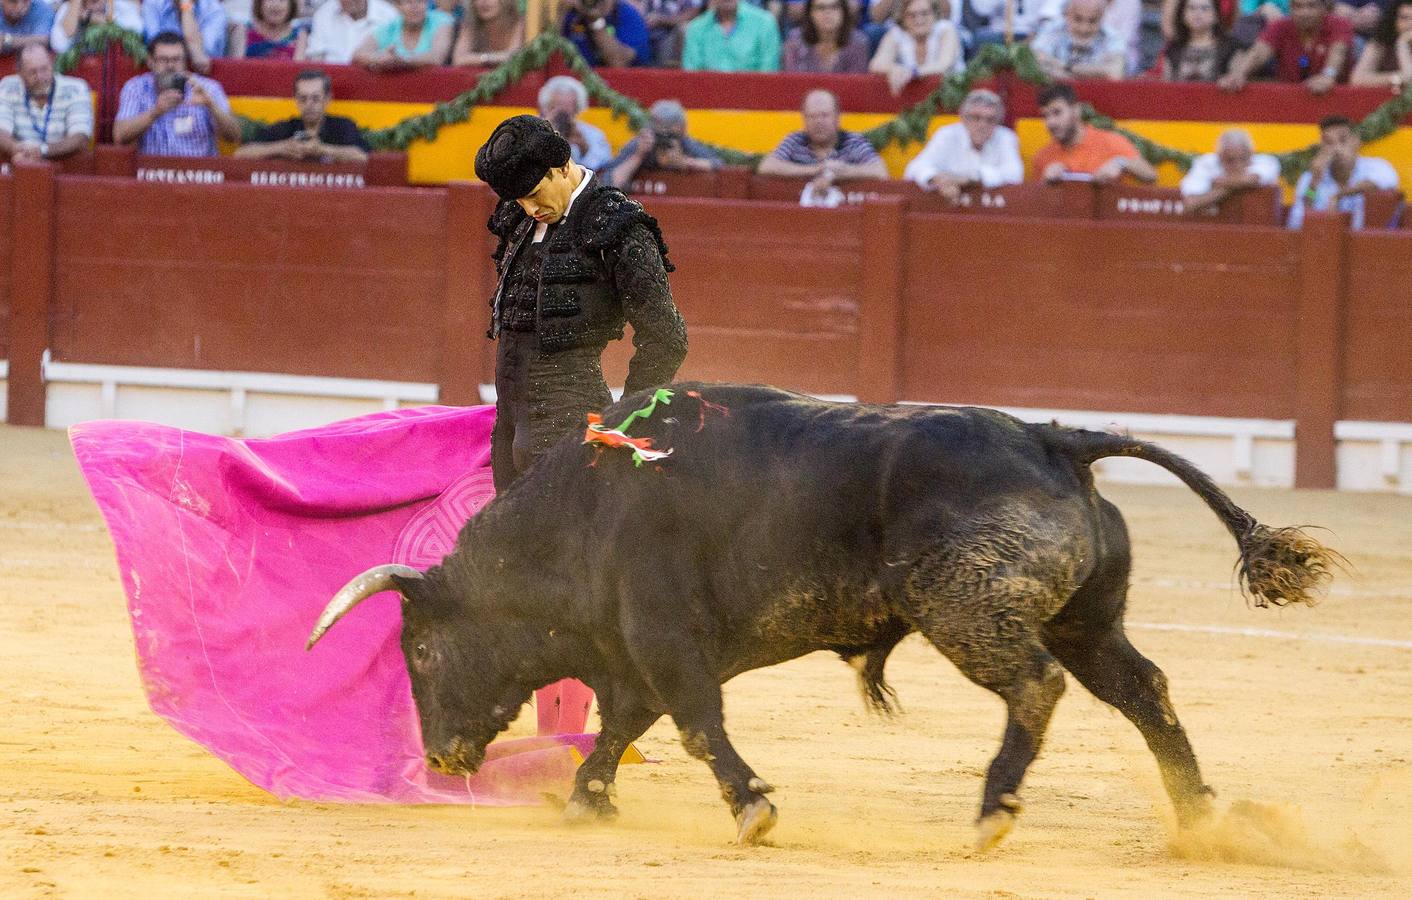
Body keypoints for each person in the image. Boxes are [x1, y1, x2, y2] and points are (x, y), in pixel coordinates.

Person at [472, 113, 688, 490]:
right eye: (520, 200)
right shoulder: (516, 220)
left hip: (571, 435)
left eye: (535, 194)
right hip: (507, 432)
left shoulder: (617, 224)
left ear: (563, 166)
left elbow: (667, 336)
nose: (529, 208)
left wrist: (626, 421)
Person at [113, 30, 241, 156]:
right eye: (163, 60)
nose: (170, 66)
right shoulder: (136, 88)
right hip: (151, 172)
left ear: (185, 62)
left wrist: (211, 106)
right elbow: (119, 136)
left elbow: (234, 136)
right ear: (150, 61)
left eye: (176, 59)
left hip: (198, 172)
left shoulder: (207, 88)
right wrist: (155, 112)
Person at [757, 88, 889, 205]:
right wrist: (816, 169)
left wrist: (840, 173)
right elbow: (766, 166)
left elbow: (880, 171)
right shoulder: (795, 141)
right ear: (804, 119)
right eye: (812, 116)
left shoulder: (854, 142)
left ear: (837, 117)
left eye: (824, 115)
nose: (818, 122)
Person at [902, 88, 1022, 201]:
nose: (982, 125)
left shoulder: (1005, 137)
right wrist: (939, 179)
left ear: (998, 122)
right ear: (963, 119)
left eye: (990, 120)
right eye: (976, 118)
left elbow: (1015, 174)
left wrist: (969, 179)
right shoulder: (947, 135)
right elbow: (914, 168)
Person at [1287, 114, 1401, 229]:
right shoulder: (1311, 178)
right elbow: (1297, 222)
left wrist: (1340, 195)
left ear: (1356, 142)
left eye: (1343, 140)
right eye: (1328, 142)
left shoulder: (1376, 166)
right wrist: (1313, 184)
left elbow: (1385, 181)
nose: (1336, 148)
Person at [1030, 81, 1156, 183]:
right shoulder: (1043, 157)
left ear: (1076, 111)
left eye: (1057, 112)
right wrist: (1045, 182)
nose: (1050, 122)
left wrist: (1120, 163)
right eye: (1045, 116)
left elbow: (1151, 175)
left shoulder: (1110, 141)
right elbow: (1037, 207)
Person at [1218, 0, 1353, 94]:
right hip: (1290, 99)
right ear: (1290, 8)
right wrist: (1239, 74)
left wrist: (1328, 76)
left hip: (1334, 99)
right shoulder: (1281, 26)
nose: (1304, 13)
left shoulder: (1339, 24)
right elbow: (1259, 52)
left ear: (1324, 8)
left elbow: (1338, 52)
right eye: (1298, 7)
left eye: (1311, 6)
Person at [234, 69, 368, 162]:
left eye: (315, 98)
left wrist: (323, 150)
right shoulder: (285, 128)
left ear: (327, 99)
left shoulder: (342, 126)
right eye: (303, 98)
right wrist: (281, 147)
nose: (309, 104)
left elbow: (363, 157)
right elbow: (241, 154)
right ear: (296, 100)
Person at [0, 43, 91, 162]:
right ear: (20, 73)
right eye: (32, 72)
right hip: (18, 162)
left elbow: (80, 138)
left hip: (62, 168)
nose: (40, 77)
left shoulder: (76, 88)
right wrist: (15, 148)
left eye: (45, 69)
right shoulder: (8, 86)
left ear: (52, 64)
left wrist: (42, 151)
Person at [606, 99, 722, 189]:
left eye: (669, 134)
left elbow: (717, 164)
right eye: (659, 134)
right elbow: (610, 183)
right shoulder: (642, 144)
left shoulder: (684, 142)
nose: (664, 140)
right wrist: (638, 156)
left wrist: (684, 162)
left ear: (680, 129)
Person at [868, 0, 962, 94]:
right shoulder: (897, 33)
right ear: (903, 18)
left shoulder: (946, 30)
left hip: (951, 94)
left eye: (924, 13)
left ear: (934, 14)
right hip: (913, 99)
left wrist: (912, 73)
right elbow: (876, 64)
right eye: (911, 15)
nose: (918, 20)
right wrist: (894, 68)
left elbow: (944, 65)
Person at [1178, 128, 1280, 214]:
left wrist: (1222, 185)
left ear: (1251, 154)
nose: (1238, 165)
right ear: (1220, 157)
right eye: (1230, 160)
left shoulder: (1266, 162)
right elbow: (1191, 204)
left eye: (1243, 158)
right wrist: (1236, 185)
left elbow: (1249, 180)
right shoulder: (1206, 163)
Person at [1030, 0, 1127, 81]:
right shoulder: (1051, 31)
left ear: (1102, 17)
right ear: (1067, 14)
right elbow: (1037, 63)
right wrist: (1094, 73)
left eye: (1092, 20)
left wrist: (1065, 67)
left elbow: (1115, 73)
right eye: (1078, 19)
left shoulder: (1112, 37)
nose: (1084, 28)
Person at [538, 75, 612, 171]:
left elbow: (604, 166)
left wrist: (584, 147)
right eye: (556, 107)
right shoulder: (531, 129)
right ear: (545, 108)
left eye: (568, 108)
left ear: (577, 109)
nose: (563, 114)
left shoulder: (591, 134)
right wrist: (545, 133)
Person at [682, 0, 782, 72]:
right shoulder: (696, 28)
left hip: (753, 97)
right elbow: (691, 76)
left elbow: (768, 75)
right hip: (707, 98)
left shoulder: (765, 24)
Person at [352, 0, 453, 69]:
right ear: (397, 6)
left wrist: (404, 61)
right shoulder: (391, 27)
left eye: (420, 1)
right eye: (408, 2)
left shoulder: (441, 20)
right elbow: (358, 54)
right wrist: (380, 59)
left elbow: (437, 57)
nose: (415, 7)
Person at [783, 0, 872, 73]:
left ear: (844, 12)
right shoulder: (795, 41)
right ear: (810, 13)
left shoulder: (858, 42)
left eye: (834, 7)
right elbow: (792, 82)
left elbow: (857, 87)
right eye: (821, 8)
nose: (827, 12)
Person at [1161, 0, 1240, 80]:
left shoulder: (1230, 48)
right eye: (1191, 8)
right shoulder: (1174, 48)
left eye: (1205, 8)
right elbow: (1166, 85)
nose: (1197, 14)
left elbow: (1236, 81)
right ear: (1183, 15)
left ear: (1216, 15)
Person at [141, 0, 228, 71]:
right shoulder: (152, 4)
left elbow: (203, 53)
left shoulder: (214, 9)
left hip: (203, 77)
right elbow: (156, 47)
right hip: (161, 75)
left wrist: (186, 7)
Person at [561, 0, 651, 67]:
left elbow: (618, 62)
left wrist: (595, 21)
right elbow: (550, 46)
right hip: (574, 82)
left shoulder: (627, 14)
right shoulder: (571, 13)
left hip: (623, 84)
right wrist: (561, 10)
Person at [307, 0, 397, 64]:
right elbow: (316, 57)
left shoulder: (389, 15)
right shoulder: (324, 13)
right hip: (331, 82)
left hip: (373, 81)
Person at [1350, 0, 1412, 91]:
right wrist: (1398, 78)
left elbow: (1410, 80)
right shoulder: (1381, 41)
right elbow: (1357, 79)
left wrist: (1402, 45)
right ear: (1393, 20)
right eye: (1404, 18)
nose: (1410, 24)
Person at [50, 0, 142, 55]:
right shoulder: (68, 9)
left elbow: (138, 30)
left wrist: (91, 18)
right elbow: (59, 45)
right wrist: (76, 8)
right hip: (83, 75)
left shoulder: (118, 5)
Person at [451, 0, 523, 67]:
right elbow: (458, 59)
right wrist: (489, 58)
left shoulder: (519, 23)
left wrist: (474, 59)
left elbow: (513, 58)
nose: (483, 2)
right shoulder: (470, 24)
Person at [231, 0, 308, 59]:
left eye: (282, 0)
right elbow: (235, 69)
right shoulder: (243, 31)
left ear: (291, 4)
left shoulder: (300, 36)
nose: (275, 5)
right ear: (260, 3)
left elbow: (297, 71)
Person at [638, 0, 702, 67]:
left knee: (684, 29)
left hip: (672, 32)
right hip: (646, 30)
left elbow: (694, 13)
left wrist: (664, 20)